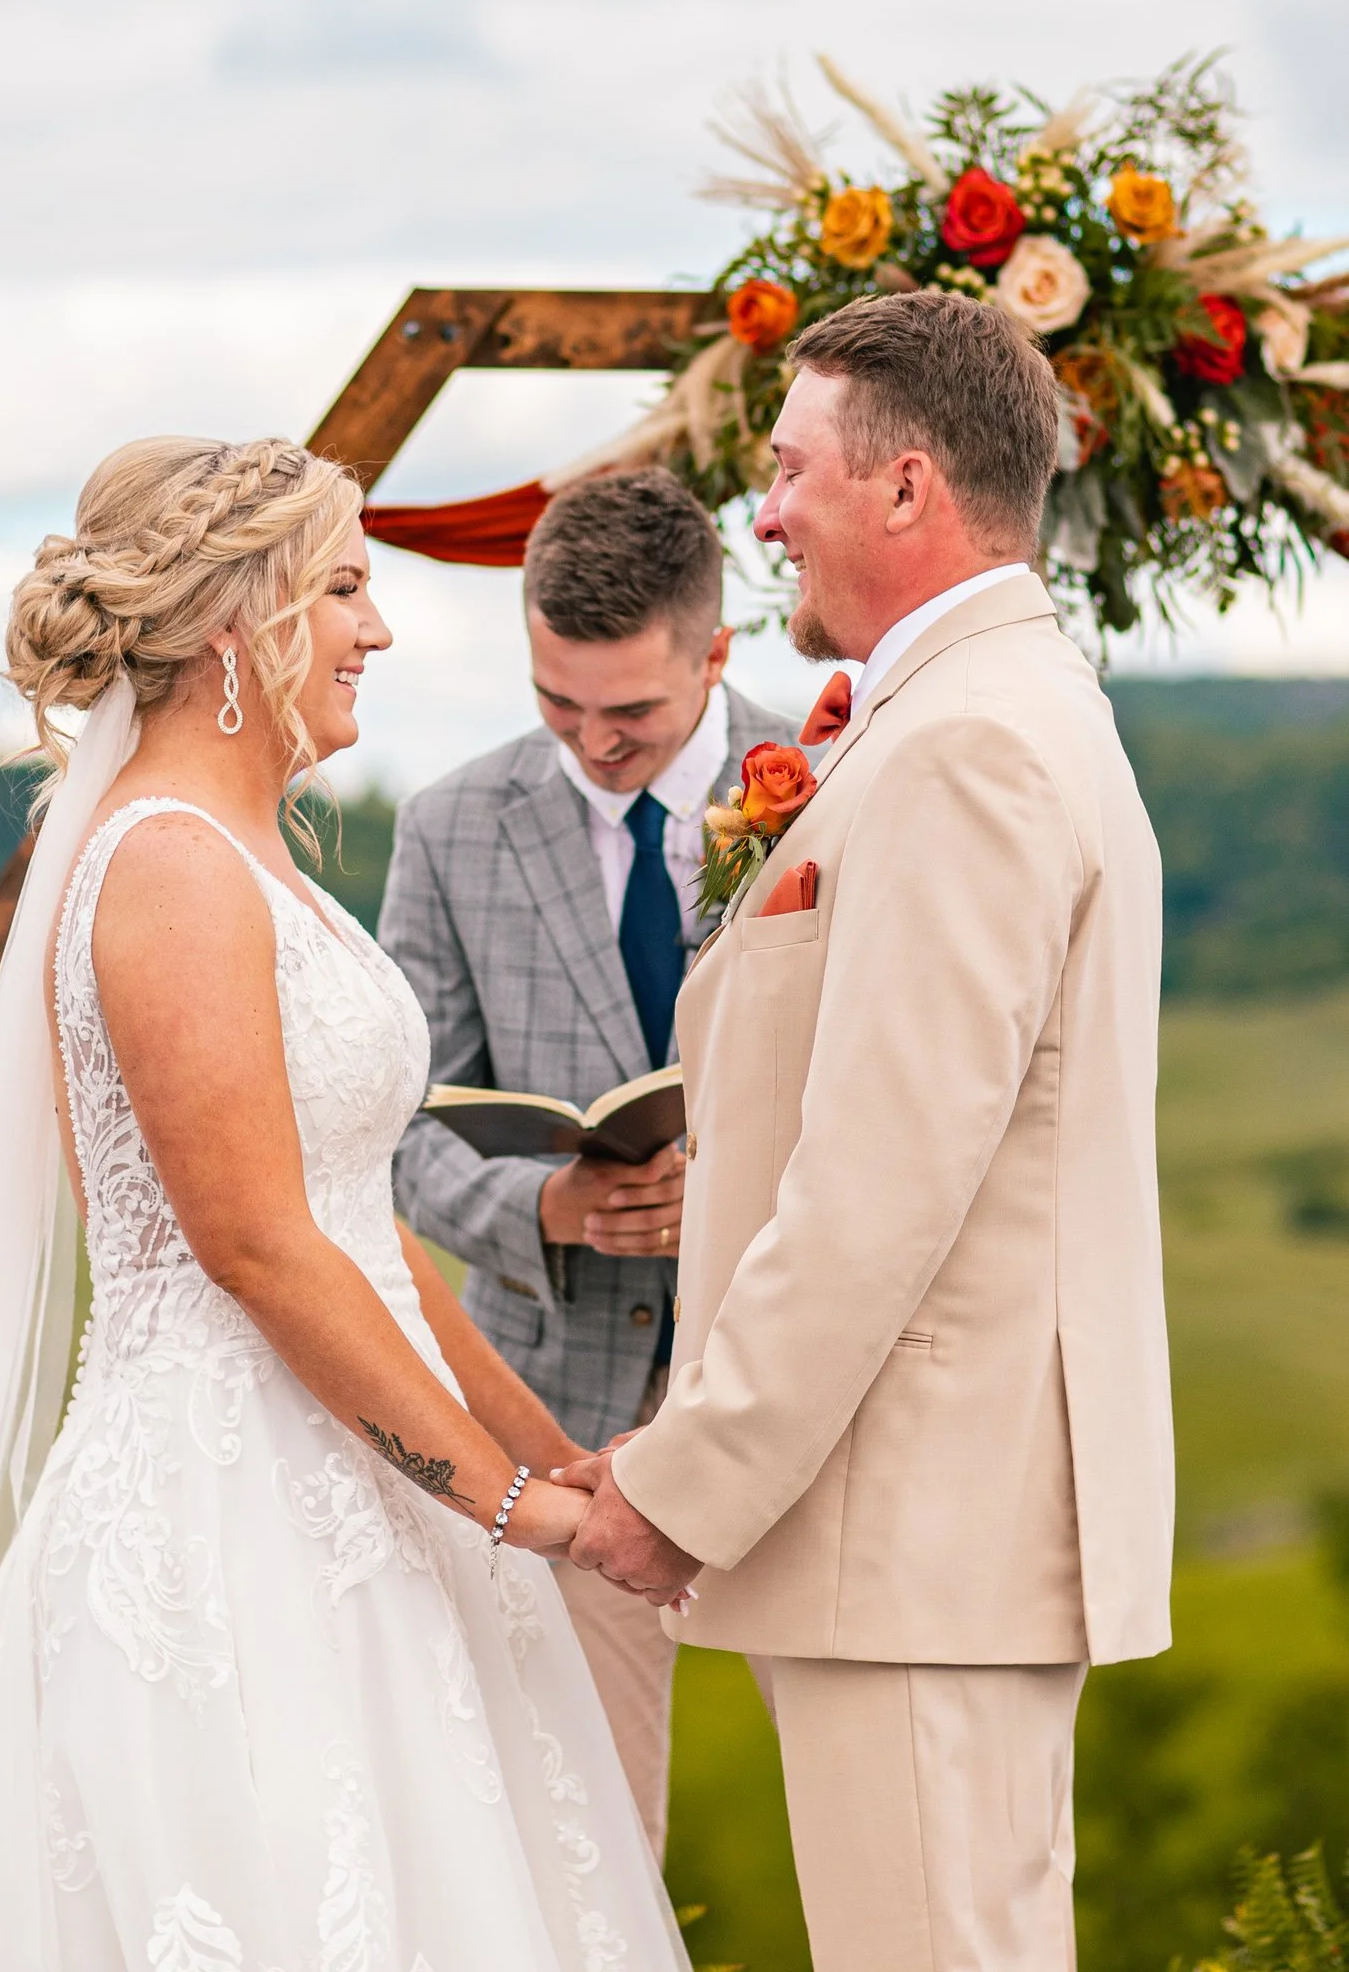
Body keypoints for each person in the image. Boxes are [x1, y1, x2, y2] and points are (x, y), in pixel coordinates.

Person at [0, 438, 691, 1972]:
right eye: (346, 588)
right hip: (226, 1515)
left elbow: (359, 1229)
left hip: (363, 1477)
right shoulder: (168, 866)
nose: (377, 629)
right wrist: (513, 1509)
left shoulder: (253, 856)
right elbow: (255, 1245)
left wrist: (545, 1453)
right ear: (245, 620)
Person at [560, 294, 1173, 1971]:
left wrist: (683, 1484)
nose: (761, 515)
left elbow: (876, 1188)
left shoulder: (967, 745)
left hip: (917, 1527)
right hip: (906, 1532)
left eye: (788, 470)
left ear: (906, 487)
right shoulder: (966, 713)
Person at [379, 467, 794, 1858]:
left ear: (716, 653)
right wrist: (547, 1204)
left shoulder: (839, 785)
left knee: (866, 1800)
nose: (593, 743)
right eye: (557, 704)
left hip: (793, 1377)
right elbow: (392, 1130)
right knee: (582, 1839)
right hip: (555, 1409)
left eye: (632, 714)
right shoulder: (451, 825)